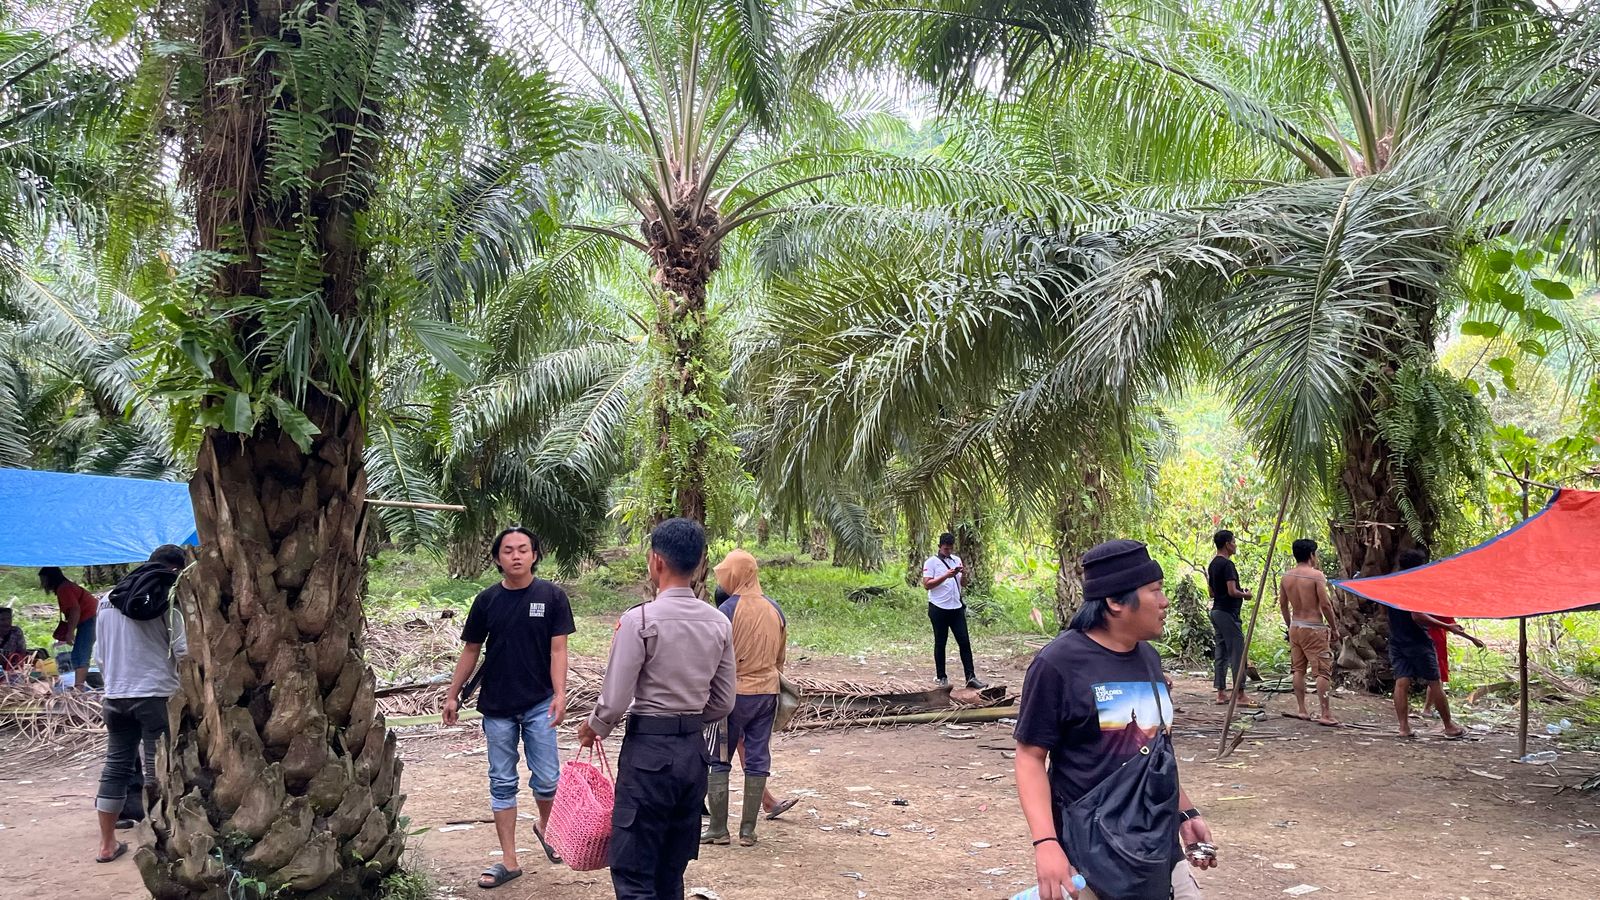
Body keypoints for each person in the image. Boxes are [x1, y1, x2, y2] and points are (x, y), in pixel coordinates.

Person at [1014, 540, 1216, 900]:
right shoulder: (1057, 664)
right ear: (1115, 601)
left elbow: (1153, 752)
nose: (1165, 601)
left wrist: (1186, 814)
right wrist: (1046, 844)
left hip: (1157, 847)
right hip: (1090, 854)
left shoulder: (1149, 659)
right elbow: (1030, 757)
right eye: (1155, 590)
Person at [579, 518, 735, 900]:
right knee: (671, 869)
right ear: (700, 563)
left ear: (656, 561)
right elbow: (724, 700)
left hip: (648, 754)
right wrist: (690, 719)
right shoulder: (718, 623)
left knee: (634, 871)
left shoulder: (640, 620)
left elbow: (615, 699)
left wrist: (594, 727)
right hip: (693, 755)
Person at [442, 526, 574, 889]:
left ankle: (546, 827)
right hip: (497, 706)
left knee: (547, 779)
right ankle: (509, 859)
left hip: (539, 703)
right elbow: (471, 650)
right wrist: (453, 694)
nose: (516, 556)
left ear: (535, 555)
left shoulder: (552, 596)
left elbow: (558, 650)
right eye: (508, 550)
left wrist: (560, 694)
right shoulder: (487, 600)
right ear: (497, 558)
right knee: (502, 781)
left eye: (523, 549)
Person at [92, 545, 188, 864]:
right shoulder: (167, 597)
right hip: (155, 695)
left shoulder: (107, 599)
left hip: (115, 696)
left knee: (116, 767)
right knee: (157, 768)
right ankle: (161, 843)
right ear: (177, 570)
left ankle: (107, 845)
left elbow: (99, 656)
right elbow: (184, 651)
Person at [702, 550, 787, 848]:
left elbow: (713, 657)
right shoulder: (775, 609)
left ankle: (718, 829)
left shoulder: (726, 611)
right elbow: (780, 658)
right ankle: (748, 831)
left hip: (731, 695)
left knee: (719, 757)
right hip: (767, 693)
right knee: (758, 756)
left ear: (737, 575)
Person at [1388, 548, 1484, 739]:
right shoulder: (1415, 587)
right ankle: (1449, 726)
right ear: (1419, 567)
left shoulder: (1391, 585)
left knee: (1401, 682)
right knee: (1435, 682)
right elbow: (1417, 616)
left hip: (1397, 640)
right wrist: (1448, 627)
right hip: (1418, 641)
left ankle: (1404, 728)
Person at [1277, 539, 1341, 726]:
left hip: (1296, 626)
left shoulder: (1286, 576)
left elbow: (1283, 605)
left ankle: (1302, 709)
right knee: (1322, 671)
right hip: (1314, 627)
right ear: (1312, 555)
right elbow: (1325, 604)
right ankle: (1325, 713)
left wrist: (1289, 625)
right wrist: (1334, 627)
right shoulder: (1316, 576)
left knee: (1298, 670)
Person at [922, 532, 987, 689]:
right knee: (940, 642)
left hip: (956, 607)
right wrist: (946, 575)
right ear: (939, 547)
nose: (948, 551)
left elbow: (963, 584)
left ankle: (970, 677)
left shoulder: (956, 560)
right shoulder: (931, 562)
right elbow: (927, 585)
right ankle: (941, 677)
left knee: (964, 642)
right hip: (938, 607)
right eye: (946, 549)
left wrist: (963, 575)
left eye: (951, 548)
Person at [1205, 530, 1254, 707]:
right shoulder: (1227, 565)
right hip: (1227, 613)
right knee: (1237, 653)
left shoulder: (1213, 564)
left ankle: (1221, 693)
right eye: (1233, 542)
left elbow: (1211, 592)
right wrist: (1246, 595)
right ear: (1227, 544)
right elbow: (1232, 591)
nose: (1235, 545)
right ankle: (1240, 694)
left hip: (1216, 611)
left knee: (1221, 653)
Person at [39, 566, 98, 689]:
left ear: (50, 578)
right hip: (89, 618)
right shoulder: (64, 587)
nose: (42, 584)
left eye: (43, 580)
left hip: (90, 618)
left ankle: (79, 688)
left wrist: (70, 632)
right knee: (78, 653)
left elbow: (75, 610)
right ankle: (79, 685)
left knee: (81, 653)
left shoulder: (64, 588)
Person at [0, 607, 28, 676]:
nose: (7, 622)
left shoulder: (16, 632)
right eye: (2, 620)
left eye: (9, 619)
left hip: (11, 670)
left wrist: (17, 668)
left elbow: (22, 652)